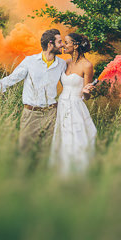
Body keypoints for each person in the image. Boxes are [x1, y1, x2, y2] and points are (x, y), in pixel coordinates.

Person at [0, 29, 66, 166]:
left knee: (47, 152)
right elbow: (12, 79)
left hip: (52, 113)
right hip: (31, 113)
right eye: (60, 42)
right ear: (51, 44)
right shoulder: (30, 61)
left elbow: (67, 85)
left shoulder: (62, 64)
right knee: (25, 151)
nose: (62, 45)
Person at [49, 32, 97, 176]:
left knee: (75, 137)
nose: (63, 45)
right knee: (63, 136)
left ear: (75, 45)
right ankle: (61, 171)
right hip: (62, 104)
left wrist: (87, 91)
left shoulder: (87, 65)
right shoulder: (65, 63)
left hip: (75, 106)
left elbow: (86, 96)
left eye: (66, 42)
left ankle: (76, 173)